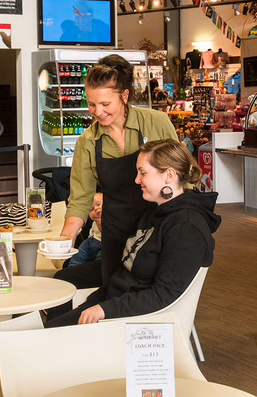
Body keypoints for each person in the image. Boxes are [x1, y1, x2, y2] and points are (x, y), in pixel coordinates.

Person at [46, 139, 220, 327]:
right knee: (45, 330)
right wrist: (96, 303)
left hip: (137, 324)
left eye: (143, 173)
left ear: (169, 175)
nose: (136, 180)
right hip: (119, 308)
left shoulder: (186, 228)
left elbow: (163, 295)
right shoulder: (156, 211)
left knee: (43, 338)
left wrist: (105, 309)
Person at [61, 54, 179, 287]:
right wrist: (63, 241)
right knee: (115, 298)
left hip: (158, 232)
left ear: (124, 96)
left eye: (106, 104)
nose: (97, 112)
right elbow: (80, 200)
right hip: (115, 237)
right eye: (92, 104)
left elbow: (182, 176)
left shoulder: (156, 122)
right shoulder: (88, 141)